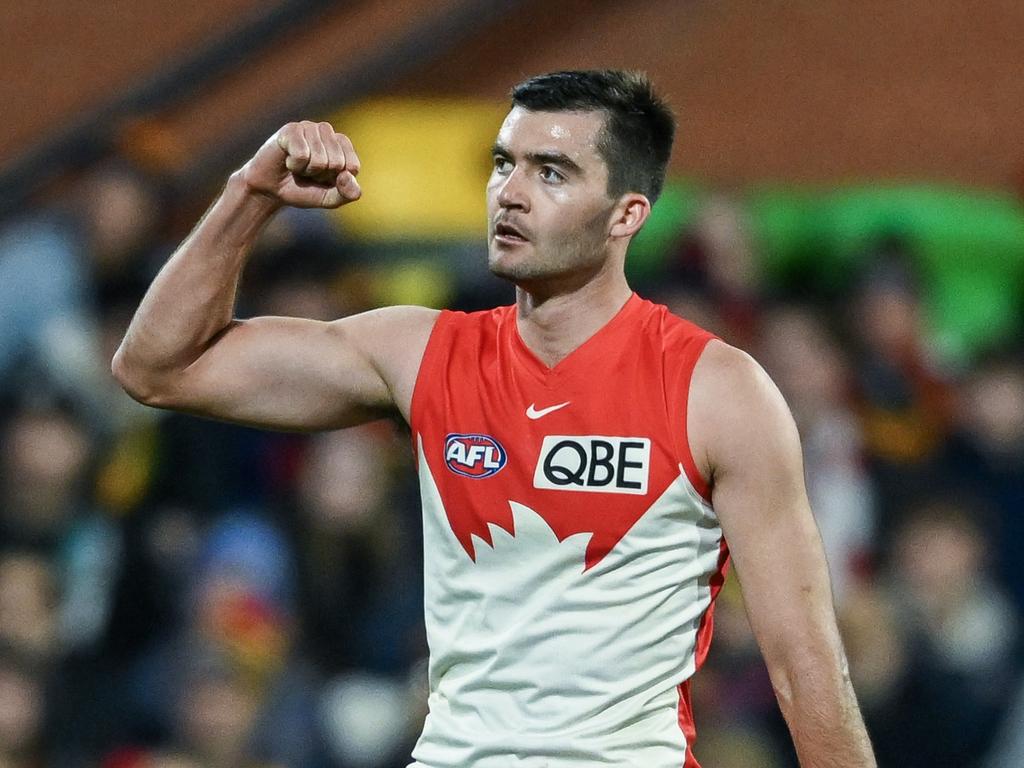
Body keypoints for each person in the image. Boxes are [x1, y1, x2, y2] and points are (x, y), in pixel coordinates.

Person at [113, 70, 876, 767]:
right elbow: (157, 366)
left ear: (626, 215)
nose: (510, 192)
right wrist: (251, 193)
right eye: (503, 162)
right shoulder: (422, 354)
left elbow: (805, 663)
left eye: (551, 172)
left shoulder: (717, 391)